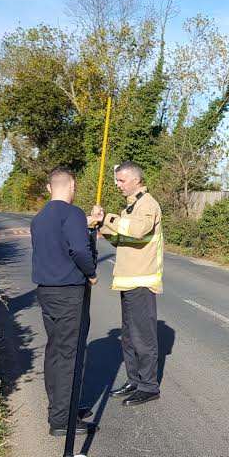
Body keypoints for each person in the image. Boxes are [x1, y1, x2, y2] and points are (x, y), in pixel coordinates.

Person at [30, 166, 99, 436]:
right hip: (69, 293)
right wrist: (91, 272)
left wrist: (90, 223)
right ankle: (61, 421)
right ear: (73, 186)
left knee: (56, 351)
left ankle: (63, 407)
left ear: (49, 188)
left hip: (46, 291)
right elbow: (79, 249)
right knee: (70, 355)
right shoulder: (73, 213)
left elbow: (63, 241)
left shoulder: (40, 217)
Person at [92, 161, 164, 407]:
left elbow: (139, 231)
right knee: (129, 336)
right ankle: (135, 380)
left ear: (136, 179)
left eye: (121, 180)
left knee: (142, 336)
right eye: (116, 180)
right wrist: (103, 225)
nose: (117, 185)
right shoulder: (130, 207)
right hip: (127, 280)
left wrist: (108, 218)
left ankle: (148, 386)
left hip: (141, 281)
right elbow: (122, 240)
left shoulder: (147, 205)